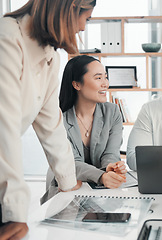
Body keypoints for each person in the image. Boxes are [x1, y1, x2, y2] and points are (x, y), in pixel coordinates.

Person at [0, 0, 96, 239]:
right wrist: (15, 212)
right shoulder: (7, 38)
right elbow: (4, 127)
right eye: (87, 18)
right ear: (72, 6)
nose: (83, 28)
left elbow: (51, 126)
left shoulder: (51, 57)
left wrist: (69, 183)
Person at [43, 55, 127, 203]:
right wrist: (101, 177)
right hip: (66, 186)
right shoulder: (58, 118)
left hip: (99, 189)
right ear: (77, 85)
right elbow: (69, 163)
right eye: (98, 78)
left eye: (105, 77)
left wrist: (111, 167)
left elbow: (111, 153)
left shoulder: (112, 112)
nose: (105, 84)